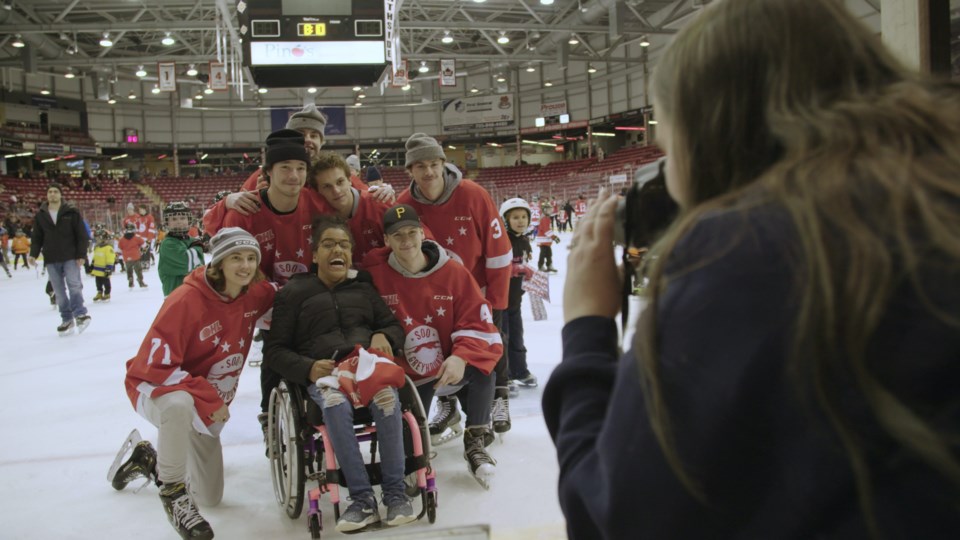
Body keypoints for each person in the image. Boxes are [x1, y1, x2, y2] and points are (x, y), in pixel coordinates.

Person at [542, 0, 960, 538]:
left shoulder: (750, 252)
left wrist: (586, 327)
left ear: (709, 137)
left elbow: (615, 516)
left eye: (670, 151)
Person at [110, 228, 277, 540]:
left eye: (251, 258)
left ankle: (149, 460)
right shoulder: (186, 300)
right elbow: (154, 368)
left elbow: (291, 300)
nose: (245, 265)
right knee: (178, 405)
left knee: (210, 496)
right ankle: (172, 491)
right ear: (219, 263)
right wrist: (209, 400)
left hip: (202, 404)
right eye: (236, 258)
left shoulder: (254, 293)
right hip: (154, 388)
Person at [263, 216, 413, 532]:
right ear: (315, 254)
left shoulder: (363, 289)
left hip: (366, 367)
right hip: (326, 375)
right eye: (329, 244)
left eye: (344, 245)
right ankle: (361, 500)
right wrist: (307, 367)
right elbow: (274, 351)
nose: (338, 251)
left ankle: (396, 494)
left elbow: (393, 326)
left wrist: (384, 335)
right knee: (334, 404)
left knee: (387, 399)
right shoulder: (293, 294)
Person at [365, 205, 502, 488]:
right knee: (412, 448)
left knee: (484, 369)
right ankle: (416, 454)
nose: (406, 241)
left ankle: (475, 441)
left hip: (448, 366)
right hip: (407, 377)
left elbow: (478, 320)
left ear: (422, 232)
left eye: (412, 232)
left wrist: (462, 357)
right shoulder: (374, 275)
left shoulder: (454, 272)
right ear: (386, 241)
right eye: (397, 235)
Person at [396, 133, 514, 438]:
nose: (429, 172)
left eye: (434, 164)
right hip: (435, 301)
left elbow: (498, 251)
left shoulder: (473, 194)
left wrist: (497, 300)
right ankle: (448, 406)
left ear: (444, 164)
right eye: (420, 166)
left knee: (491, 347)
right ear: (410, 170)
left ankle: (498, 399)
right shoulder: (404, 204)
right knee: (439, 350)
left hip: (481, 294)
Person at [308, 152, 393, 269]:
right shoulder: (319, 217)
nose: (336, 191)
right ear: (318, 191)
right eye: (327, 186)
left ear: (349, 180)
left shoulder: (379, 203)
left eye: (340, 182)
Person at [28, 183, 90, 335]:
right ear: (47, 195)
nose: (53, 194)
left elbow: (81, 235)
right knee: (59, 291)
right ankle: (67, 319)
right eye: (50, 192)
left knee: (74, 285)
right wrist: (33, 254)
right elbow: (37, 237)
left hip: (70, 256)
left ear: (60, 194)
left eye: (56, 191)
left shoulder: (72, 212)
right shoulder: (41, 215)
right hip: (51, 258)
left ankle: (80, 314)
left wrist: (81, 254)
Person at [499, 198, 537, 391]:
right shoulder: (501, 240)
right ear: (505, 220)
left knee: (517, 337)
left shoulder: (523, 240)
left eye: (523, 217)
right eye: (515, 217)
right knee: (502, 339)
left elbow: (522, 263)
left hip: (515, 300)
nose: (520, 221)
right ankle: (504, 377)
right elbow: (492, 267)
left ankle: (520, 371)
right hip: (500, 301)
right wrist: (512, 269)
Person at [158, 201, 205, 296]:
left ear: (189, 220)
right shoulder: (168, 243)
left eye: (182, 218)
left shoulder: (192, 241)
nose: (179, 221)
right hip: (176, 298)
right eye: (174, 219)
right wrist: (199, 247)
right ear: (167, 222)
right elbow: (190, 263)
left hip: (195, 295)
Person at [118, 223, 148, 289]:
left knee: (129, 269)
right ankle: (140, 281)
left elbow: (119, 248)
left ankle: (130, 279)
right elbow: (145, 245)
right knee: (138, 269)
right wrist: (142, 252)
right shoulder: (137, 237)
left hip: (126, 256)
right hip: (135, 255)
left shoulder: (122, 239)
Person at [90, 229, 116, 302]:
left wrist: (109, 267)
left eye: (98, 238)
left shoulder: (108, 248)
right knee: (98, 282)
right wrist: (92, 264)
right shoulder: (97, 248)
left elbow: (110, 258)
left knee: (106, 282)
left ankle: (107, 293)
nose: (96, 240)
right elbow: (95, 257)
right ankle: (99, 292)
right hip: (97, 270)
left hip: (104, 270)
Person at [535, 200, 560, 272]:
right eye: (549, 209)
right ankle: (541, 266)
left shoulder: (546, 218)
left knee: (549, 253)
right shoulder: (544, 218)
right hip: (543, 240)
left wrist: (553, 237)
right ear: (545, 210)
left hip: (546, 240)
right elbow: (546, 230)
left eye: (551, 209)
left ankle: (549, 265)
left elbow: (547, 229)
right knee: (543, 254)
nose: (551, 211)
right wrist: (554, 237)